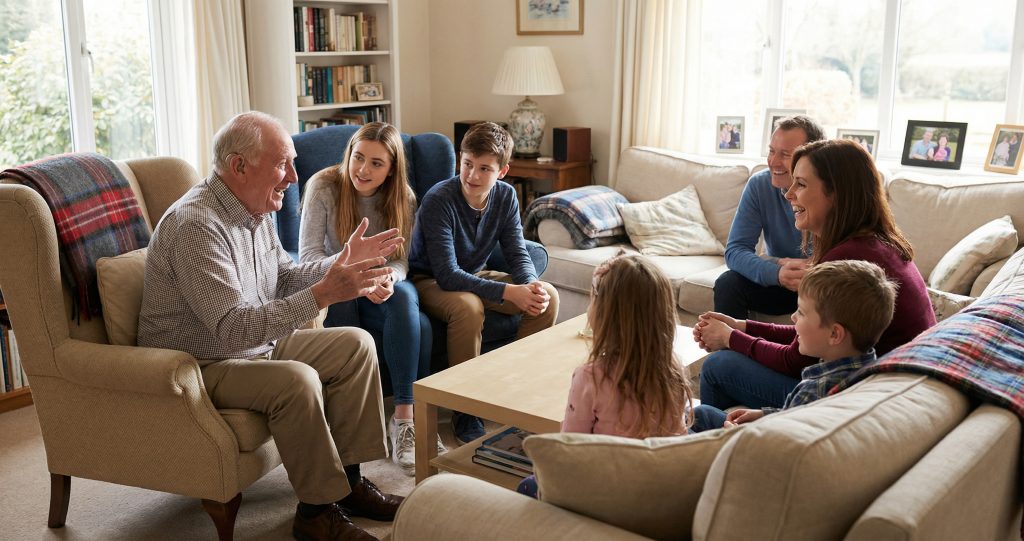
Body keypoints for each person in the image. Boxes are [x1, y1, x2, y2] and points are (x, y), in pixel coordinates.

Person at [138, 111, 404, 541]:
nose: (294, 177)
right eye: (283, 164)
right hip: (201, 363)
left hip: (252, 348)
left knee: (356, 345)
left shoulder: (254, 207)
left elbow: (283, 275)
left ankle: (350, 482)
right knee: (296, 381)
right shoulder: (196, 226)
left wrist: (340, 265)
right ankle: (316, 513)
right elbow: (232, 329)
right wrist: (323, 294)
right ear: (239, 165)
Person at [697, 138, 935, 410]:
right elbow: (811, 333)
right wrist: (742, 326)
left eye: (801, 184)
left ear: (836, 193)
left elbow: (794, 360)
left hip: (861, 397)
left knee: (719, 365)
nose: (788, 194)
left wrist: (730, 338)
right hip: (876, 385)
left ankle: (715, 439)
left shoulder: (847, 260)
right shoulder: (875, 242)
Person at [299, 121, 443, 477]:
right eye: (358, 157)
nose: (363, 169)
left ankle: (405, 420)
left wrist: (388, 278)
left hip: (381, 286)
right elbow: (308, 259)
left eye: (376, 163)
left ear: (392, 168)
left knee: (408, 300)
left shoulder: (403, 197)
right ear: (348, 154)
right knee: (413, 323)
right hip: (338, 285)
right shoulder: (323, 186)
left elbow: (401, 260)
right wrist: (355, 273)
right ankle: (379, 422)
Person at [408, 121, 560, 444]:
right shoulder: (439, 200)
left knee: (548, 296)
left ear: (502, 171)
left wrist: (530, 286)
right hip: (430, 279)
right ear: (459, 159)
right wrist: (508, 292)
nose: (472, 176)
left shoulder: (505, 197)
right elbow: (447, 274)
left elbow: (518, 252)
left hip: (474, 273)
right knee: (469, 308)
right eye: (467, 164)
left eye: (484, 169)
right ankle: (465, 410)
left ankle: (512, 392)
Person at [517, 254, 694, 497]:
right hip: (659, 489)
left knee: (528, 485)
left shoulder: (590, 377)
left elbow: (569, 449)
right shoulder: (673, 368)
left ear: (605, 316)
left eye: (594, 300)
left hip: (606, 494)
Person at [691, 260, 897, 431]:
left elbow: (776, 445)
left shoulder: (814, 391)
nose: (793, 317)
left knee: (698, 419)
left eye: (802, 312)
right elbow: (792, 415)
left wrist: (732, 434)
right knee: (701, 414)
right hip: (774, 429)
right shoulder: (867, 370)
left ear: (835, 334)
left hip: (754, 452)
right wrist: (765, 414)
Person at [713, 115, 826, 319]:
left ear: (812, 156)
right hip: (780, 282)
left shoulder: (829, 190)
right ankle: (730, 349)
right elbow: (735, 251)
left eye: (785, 154)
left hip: (824, 283)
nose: (773, 161)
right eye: (771, 151)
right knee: (728, 283)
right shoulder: (759, 185)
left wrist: (816, 270)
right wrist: (777, 271)